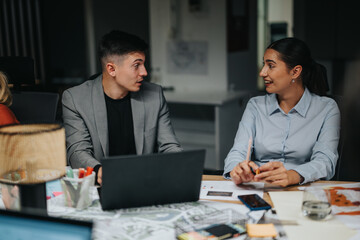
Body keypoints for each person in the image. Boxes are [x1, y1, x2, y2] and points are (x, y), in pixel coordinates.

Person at [62, 30, 182, 185]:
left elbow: (169, 146)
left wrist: (181, 164)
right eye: (136, 65)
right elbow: (77, 152)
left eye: (143, 64)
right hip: (103, 185)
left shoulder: (155, 95)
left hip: (144, 182)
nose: (144, 72)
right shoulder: (75, 99)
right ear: (111, 69)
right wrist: (100, 171)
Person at [224, 38, 340, 187]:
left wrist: (294, 175)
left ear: (295, 71)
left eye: (270, 66)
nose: (262, 72)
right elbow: (237, 151)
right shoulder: (255, 105)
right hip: (258, 185)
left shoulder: (327, 108)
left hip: (301, 187)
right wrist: (237, 169)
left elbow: (325, 161)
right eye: (263, 64)